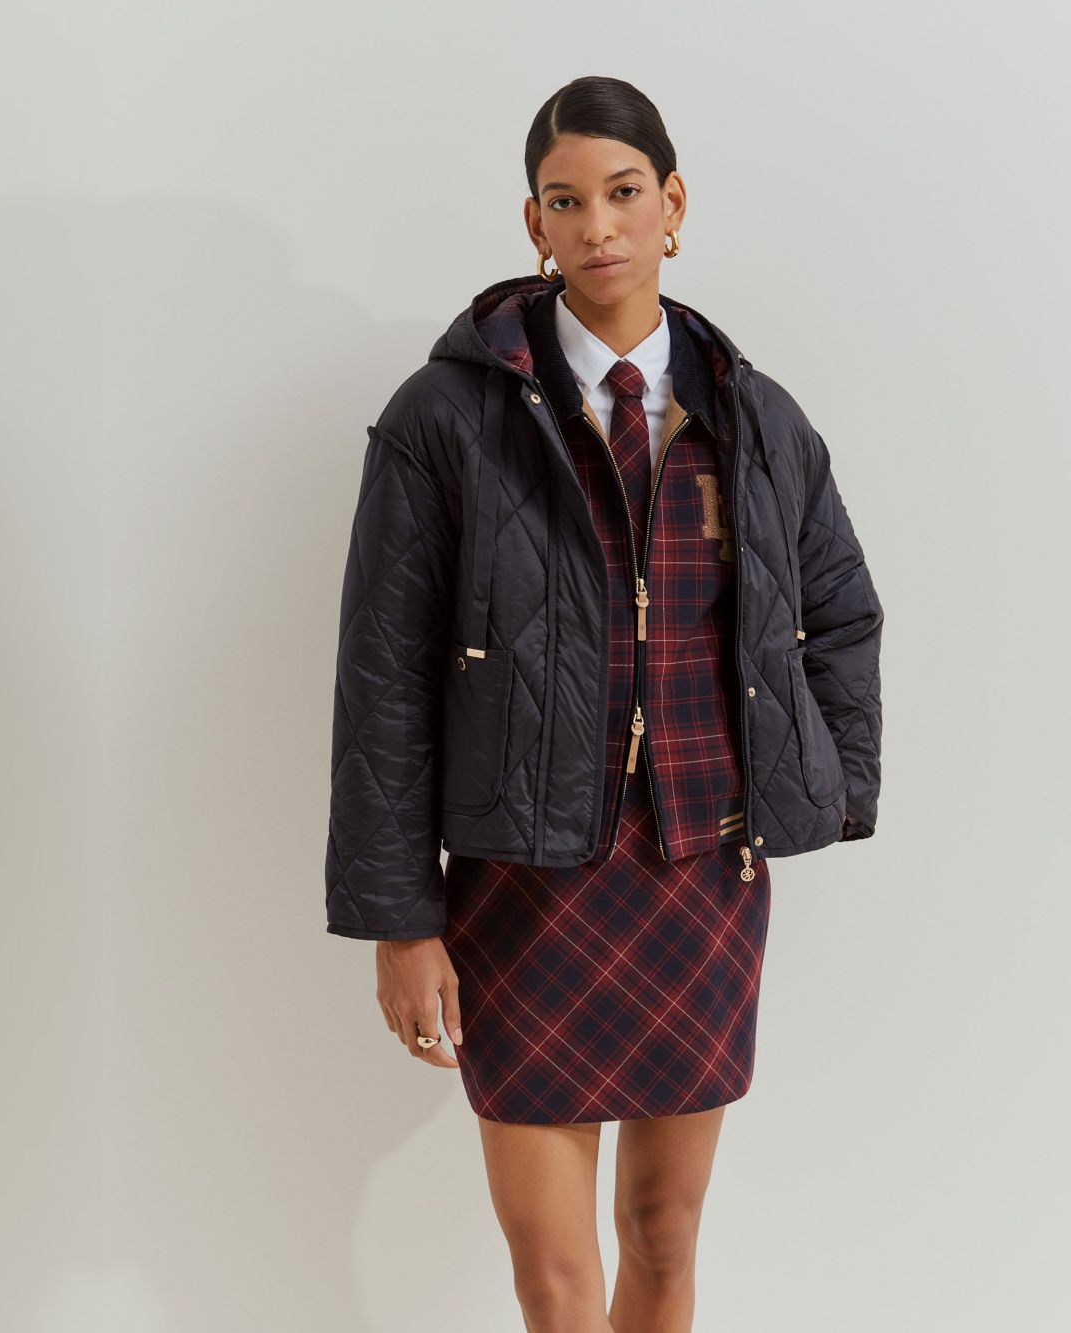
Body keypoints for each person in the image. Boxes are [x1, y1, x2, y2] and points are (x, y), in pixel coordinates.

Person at [324, 75, 884, 1333]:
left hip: (702, 870)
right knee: (552, 1273)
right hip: (522, 883)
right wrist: (398, 919)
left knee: (665, 1237)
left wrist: (823, 786)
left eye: (624, 193)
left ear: (672, 203)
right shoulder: (444, 420)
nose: (599, 226)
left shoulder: (754, 416)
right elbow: (382, 678)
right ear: (534, 224)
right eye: (565, 201)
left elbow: (841, 615)